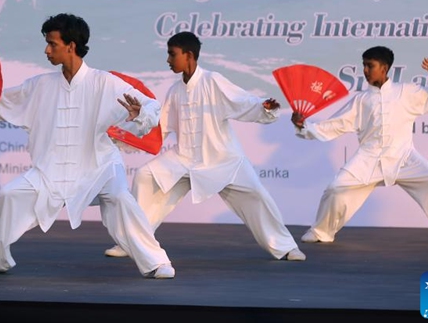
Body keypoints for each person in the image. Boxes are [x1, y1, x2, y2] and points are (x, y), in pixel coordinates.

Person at [0, 13, 175, 278]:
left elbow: (151, 106)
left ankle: (156, 261)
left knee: (120, 198)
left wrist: (139, 113)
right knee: (9, 195)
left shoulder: (104, 82)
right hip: (50, 172)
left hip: (100, 167)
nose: (46, 50)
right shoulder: (40, 85)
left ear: (71, 46)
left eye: (52, 43)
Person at [103, 31, 306, 262]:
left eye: (172, 55)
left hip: (223, 160)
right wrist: (138, 119)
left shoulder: (213, 81)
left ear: (188, 55)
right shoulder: (175, 90)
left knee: (257, 196)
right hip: (184, 160)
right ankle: (133, 241)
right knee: (146, 175)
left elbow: (243, 101)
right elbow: (161, 126)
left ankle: (286, 247)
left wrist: (264, 107)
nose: (168, 61)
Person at [291, 46, 428, 247]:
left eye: (370, 66)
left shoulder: (406, 92)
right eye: (364, 66)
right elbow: (336, 124)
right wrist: (304, 126)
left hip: (404, 157)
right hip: (368, 158)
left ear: (384, 68)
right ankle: (321, 232)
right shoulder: (361, 100)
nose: (365, 71)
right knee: (335, 189)